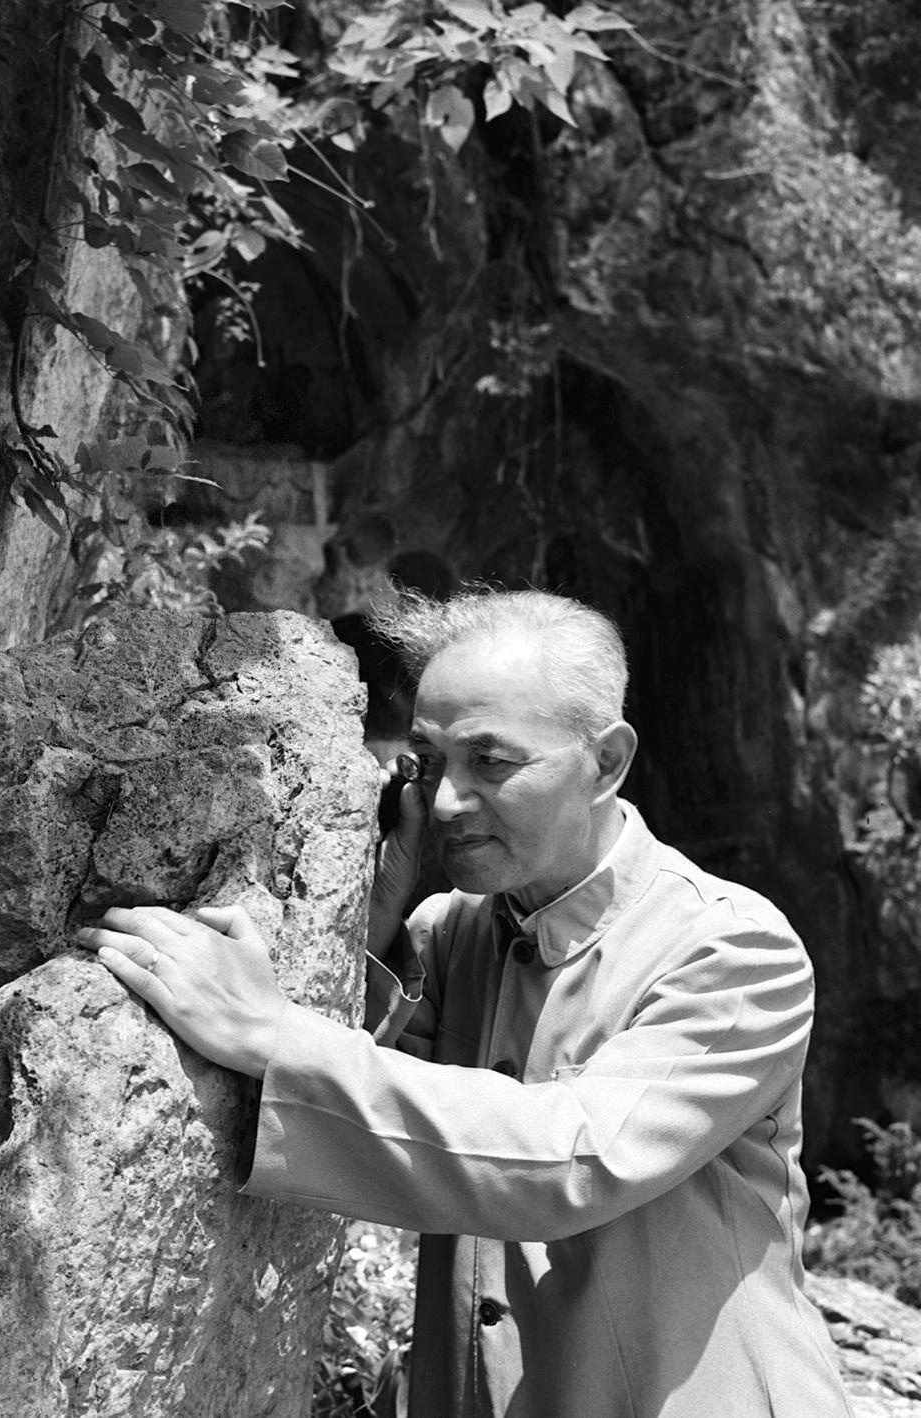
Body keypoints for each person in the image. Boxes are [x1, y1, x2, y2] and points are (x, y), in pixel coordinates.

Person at [77, 586, 852, 1418]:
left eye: (491, 762)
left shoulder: (733, 951)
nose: (446, 801)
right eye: (428, 761)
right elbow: (354, 1119)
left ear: (607, 762)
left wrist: (271, 1032)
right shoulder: (449, 933)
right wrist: (373, 909)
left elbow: (572, 1160)